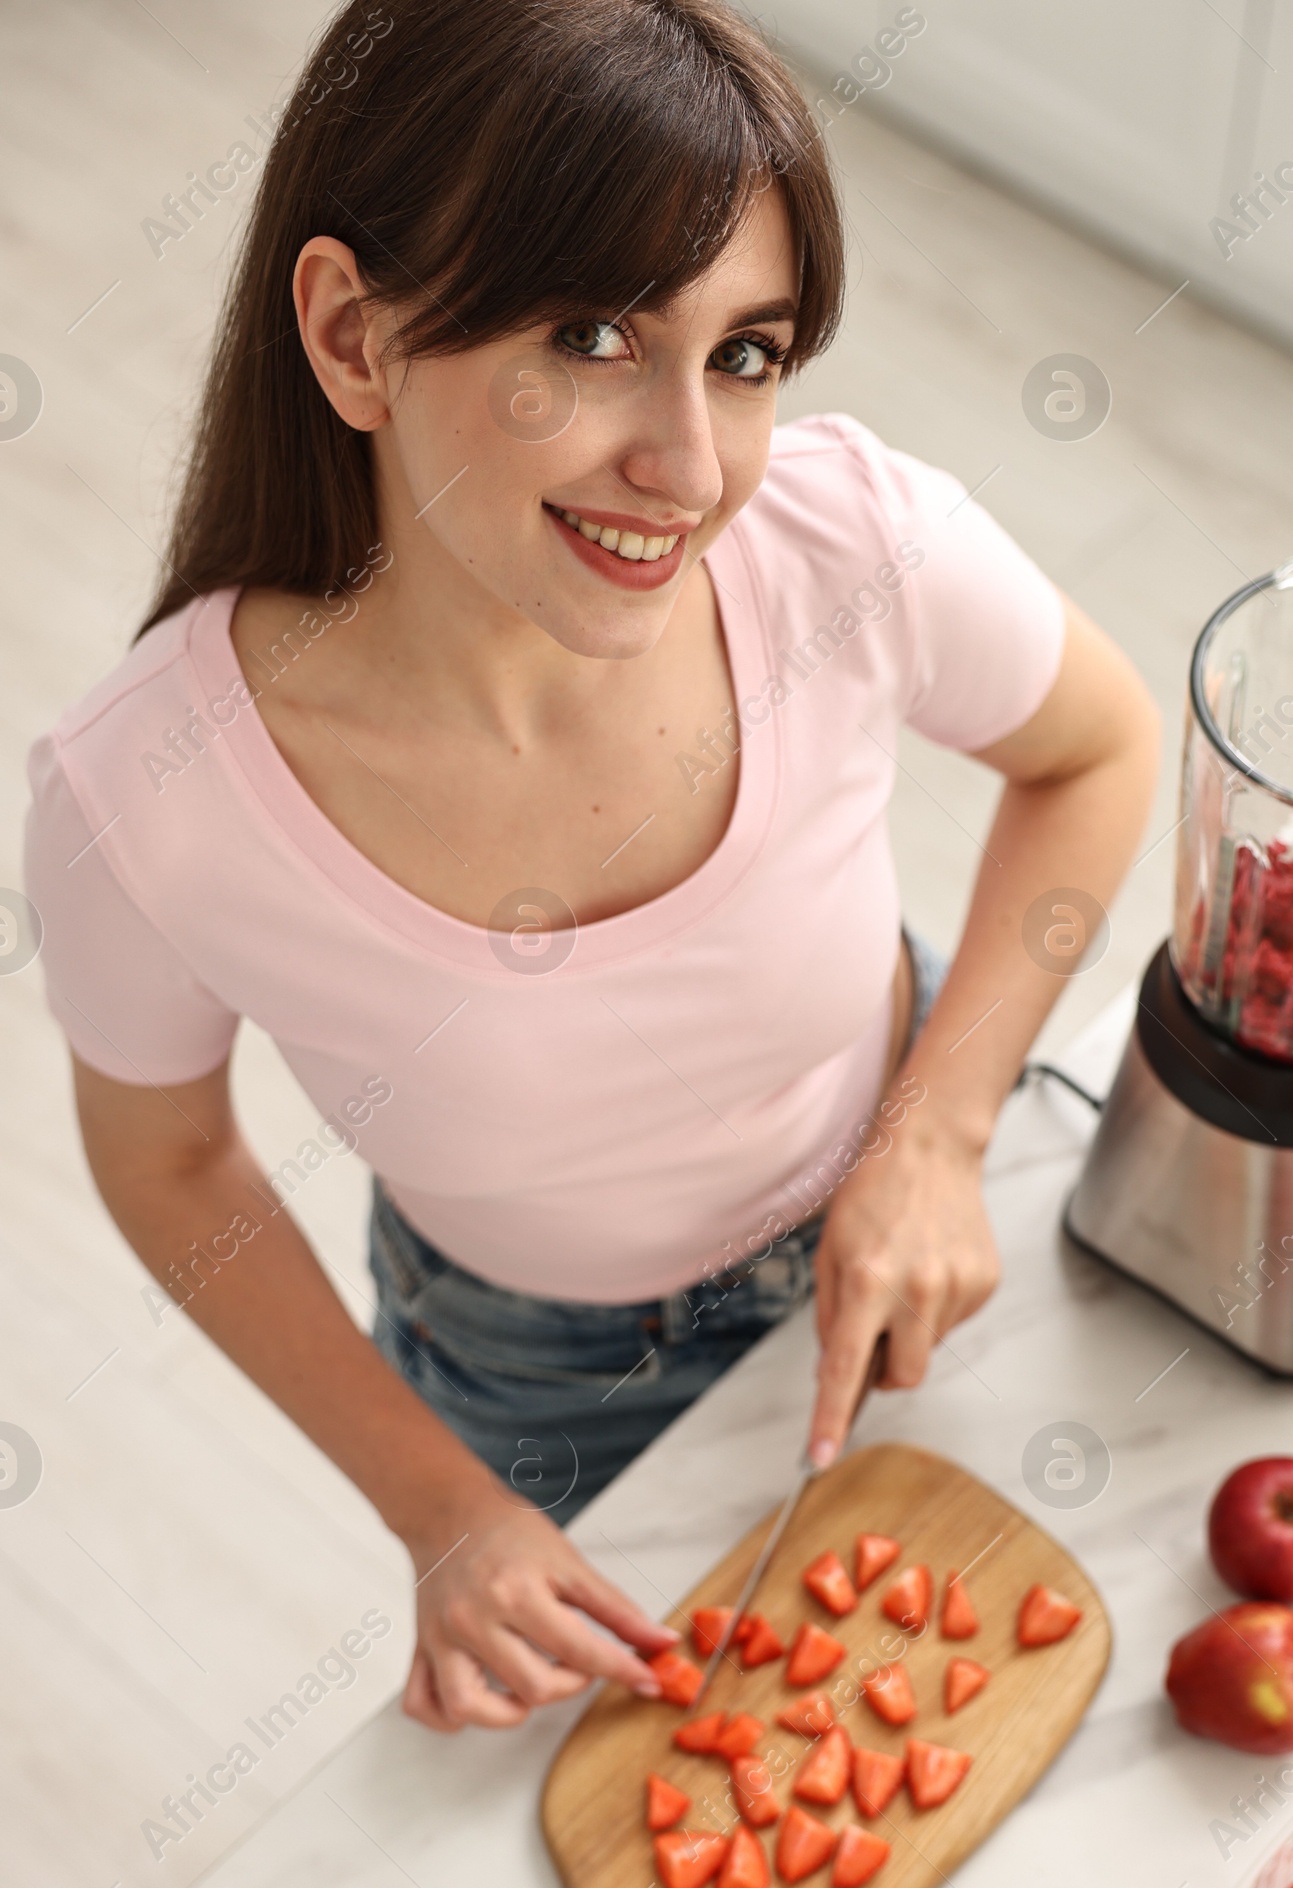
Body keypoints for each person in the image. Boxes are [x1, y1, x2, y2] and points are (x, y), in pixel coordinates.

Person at [25, 0, 1159, 1734]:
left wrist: (937, 1136)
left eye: (748, 353)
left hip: (925, 1203)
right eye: (591, 335)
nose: (692, 470)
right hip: (536, 1371)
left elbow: (1096, 748)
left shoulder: (848, 541)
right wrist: (443, 1511)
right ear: (350, 335)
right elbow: (169, 1163)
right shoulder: (150, 799)